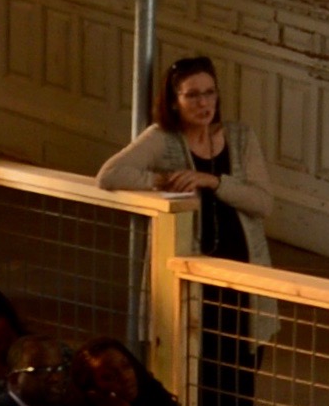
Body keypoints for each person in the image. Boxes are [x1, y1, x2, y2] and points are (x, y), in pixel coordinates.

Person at [94, 57, 249, 264]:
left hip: (244, 263)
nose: (203, 103)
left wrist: (213, 181)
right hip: (186, 262)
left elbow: (263, 202)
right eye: (192, 95)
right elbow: (109, 174)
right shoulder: (162, 137)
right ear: (174, 102)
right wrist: (165, 180)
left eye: (209, 93)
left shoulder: (240, 137)